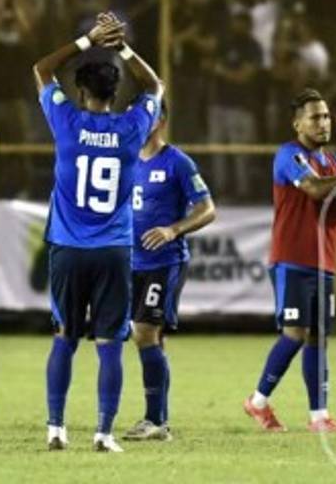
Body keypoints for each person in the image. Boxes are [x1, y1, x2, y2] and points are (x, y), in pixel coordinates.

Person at [34, 11, 164, 453]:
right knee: (110, 345)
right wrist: (123, 46)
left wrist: (89, 39)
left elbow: (41, 69)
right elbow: (156, 87)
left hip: (68, 248)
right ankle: (104, 433)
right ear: (115, 92)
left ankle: (55, 429)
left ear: (80, 91)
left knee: (64, 339)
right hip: (113, 249)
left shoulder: (65, 123)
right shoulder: (131, 128)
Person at [243, 88, 336, 433]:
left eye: (326, 116)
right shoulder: (288, 156)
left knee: (318, 338)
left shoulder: (333, 161)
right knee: (294, 333)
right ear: (297, 124)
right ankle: (257, 402)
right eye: (315, 117)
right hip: (292, 258)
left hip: (323, 261)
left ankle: (318, 417)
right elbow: (314, 189)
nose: (323, 123)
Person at [122, 100, 217, 442]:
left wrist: (173, 230)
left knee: (144, 333)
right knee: (145, 337)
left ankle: (155, 421)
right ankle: (156, 418)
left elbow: (208, 209)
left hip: (164, 263)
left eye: (146, 113)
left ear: (160, 119)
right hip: (127, 263)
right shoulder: (125, 158)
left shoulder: (177, 162)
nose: (137, 119)